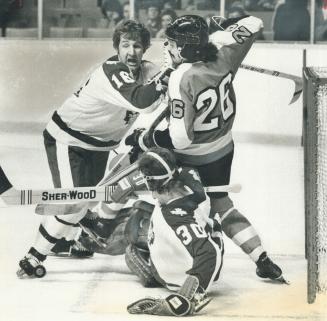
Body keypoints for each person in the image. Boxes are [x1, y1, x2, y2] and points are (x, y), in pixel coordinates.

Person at [126, 14, 287, 283]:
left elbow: (180, 140)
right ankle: (261, 258)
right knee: (222, 205)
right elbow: (255, 21)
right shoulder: (225, 52)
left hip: (193, 155)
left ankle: (155, 244)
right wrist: (222, 27)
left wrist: (146, 140)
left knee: (171, 199)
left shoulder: (180, 77)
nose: (169, 48)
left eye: (174, 43)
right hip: (223, 149)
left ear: (186, 48)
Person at [17, 20, 170, 278]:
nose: (131, 52)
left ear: (144, 49)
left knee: (87, 200)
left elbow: (167, 88)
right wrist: (170, 74)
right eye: (125, 45)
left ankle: (68, 238)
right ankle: (34, 255)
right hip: (69, 140)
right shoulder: (111, 71)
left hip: (100, 145)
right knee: (74, 202)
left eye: (137, 46)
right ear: (117, 47)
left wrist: (186, 69)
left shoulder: (146, 70)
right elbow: (144, 102)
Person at [125, 147, 223, 316]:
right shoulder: (188, 173)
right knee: (142, 213)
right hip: (205, 249)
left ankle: (154, 276)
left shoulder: (175, 217)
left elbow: (209, 253)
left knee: (131, 243)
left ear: (152, 183)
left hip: (177, 279)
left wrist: (187, 295)